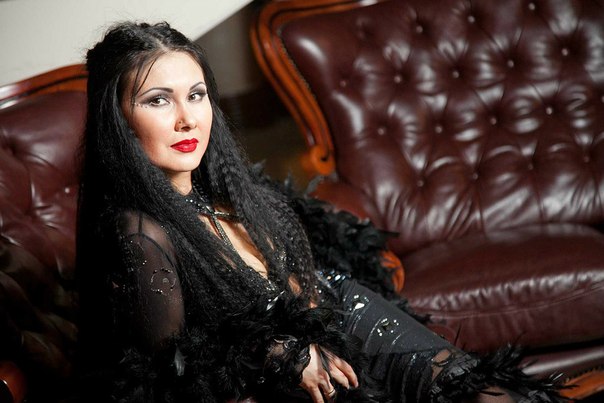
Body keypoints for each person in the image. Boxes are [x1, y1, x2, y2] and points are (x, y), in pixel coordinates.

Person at [75, 21, 565, 403]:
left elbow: (301, 280)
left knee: (485, 393)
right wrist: (276, 352)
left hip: (343, 310)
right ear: (119, 120)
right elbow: (172, 372)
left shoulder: (232, 191)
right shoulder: (140, 232)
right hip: (291, 374)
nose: (187, 119)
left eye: (196, 95)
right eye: (158, 100)